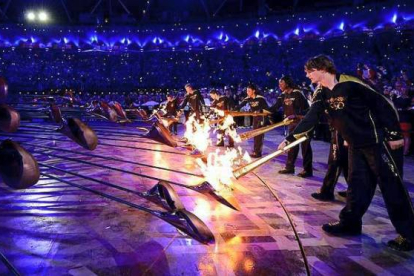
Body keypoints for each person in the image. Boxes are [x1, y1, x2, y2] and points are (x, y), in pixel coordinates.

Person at [277, 55, 414, 251]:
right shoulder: (321, 92)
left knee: (391, 187)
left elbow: (383, 104)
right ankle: (350, 223)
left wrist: (394, 134)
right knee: (357, 186)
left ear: (322, 69)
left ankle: (409, 234)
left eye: (309, 71)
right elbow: (312, 116)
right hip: (355, 145)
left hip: (378, 142)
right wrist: (290, 139)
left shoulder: (352, 83)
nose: (307, 75)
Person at [268, 76, 313, 177]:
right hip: (292, 125)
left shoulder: (298, 93)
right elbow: (275, 107)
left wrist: (296, 115)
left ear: (287, 83)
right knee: (291, 146)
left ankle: (307, 170)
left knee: (305, 147)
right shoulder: (283, 95)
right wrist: (263, 111)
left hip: (303, 124)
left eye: (281, 83)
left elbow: (307, 110)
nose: (279, 85)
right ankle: (290, 167)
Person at [311, 128, 348, 201]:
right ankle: (353, 191)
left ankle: (327, 192)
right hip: (339, 132)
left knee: (335, 162)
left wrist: (346, 137)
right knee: (344, 163)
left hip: (341, 132)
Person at [236, 84, 269, 158]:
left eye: (249, 91)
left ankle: (258, 152)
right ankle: (255, 151)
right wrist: (233, 110)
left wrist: (259, 111)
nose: (247, 92)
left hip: (261, 118)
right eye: (247, 91)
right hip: (255, 118)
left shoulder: (261, 98)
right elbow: (241, 105)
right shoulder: (248, 98)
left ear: (254, 91)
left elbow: (267, 109)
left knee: (259, 135)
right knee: (254, 134)